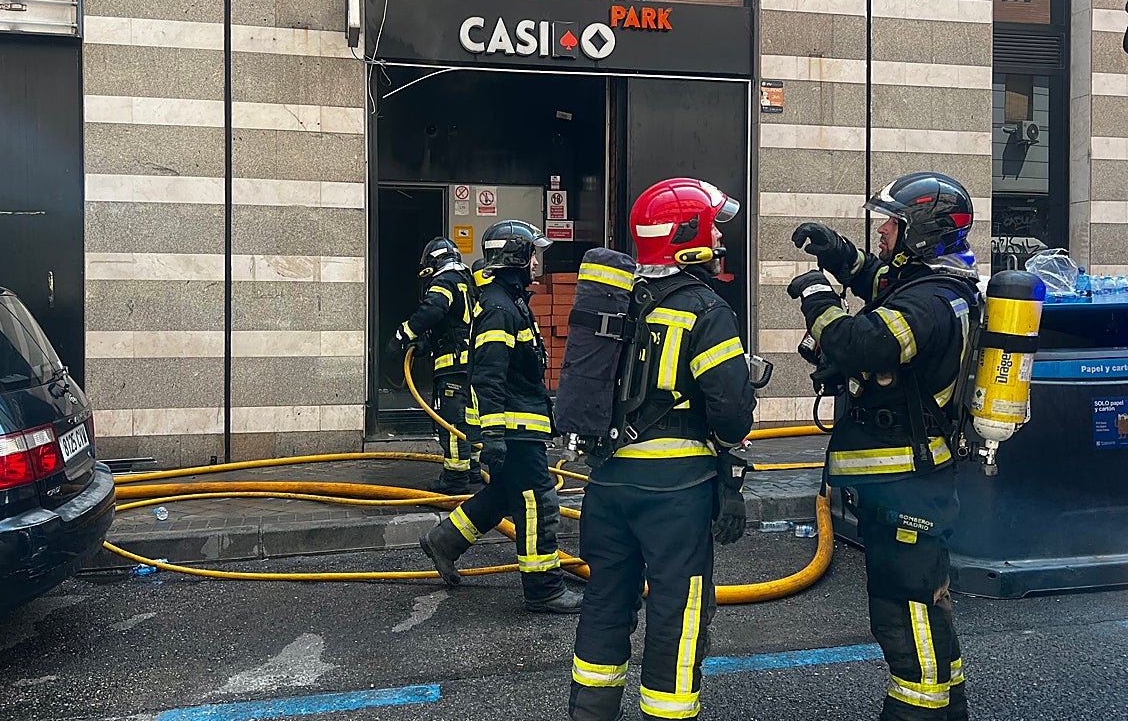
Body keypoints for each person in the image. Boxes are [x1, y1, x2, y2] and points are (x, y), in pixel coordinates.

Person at [787, 172, 978, 721]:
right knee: (925, 603)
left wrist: (819, 299)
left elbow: (860, 345)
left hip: (907, 488)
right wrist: (841, 256)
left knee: (905, 610)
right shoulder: (936, 284)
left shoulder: (931, 302)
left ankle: (919, 710)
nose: (883, 233)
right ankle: (949, 705)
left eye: (891, 224)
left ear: (919, 232)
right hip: (911, 482)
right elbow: (884, 284)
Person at [569, 178, 758, 721]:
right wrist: (729, 460)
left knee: (606, 601)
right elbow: (730, 411)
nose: (722, 235)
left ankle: (591, 712)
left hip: (607, 484)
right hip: (676, 491)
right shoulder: (706, 309)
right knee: (679, 609)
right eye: (715, 224)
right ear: (689, 236)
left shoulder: (616, 300)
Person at [419, 220, 584, 614]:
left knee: (501, 496)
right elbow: (489, 376)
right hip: (513, 431)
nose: (537, 261)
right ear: (517, 258)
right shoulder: (498, 308)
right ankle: (544, 588)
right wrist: (493, 436)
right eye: (533, 254)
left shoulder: (510, 302)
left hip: (521, 425)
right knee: (536, 502)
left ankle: (444, 541)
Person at [387, 236, 482, 493]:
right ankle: (473, 469)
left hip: (452, 365)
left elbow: (432, 310)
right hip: (470, 365)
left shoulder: (444, 281)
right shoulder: (467, 282)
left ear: (434, 261)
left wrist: (402, 335)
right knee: (469, 420)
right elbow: (454, 322)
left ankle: (454, 479)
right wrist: (428, 344)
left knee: (451, 422)